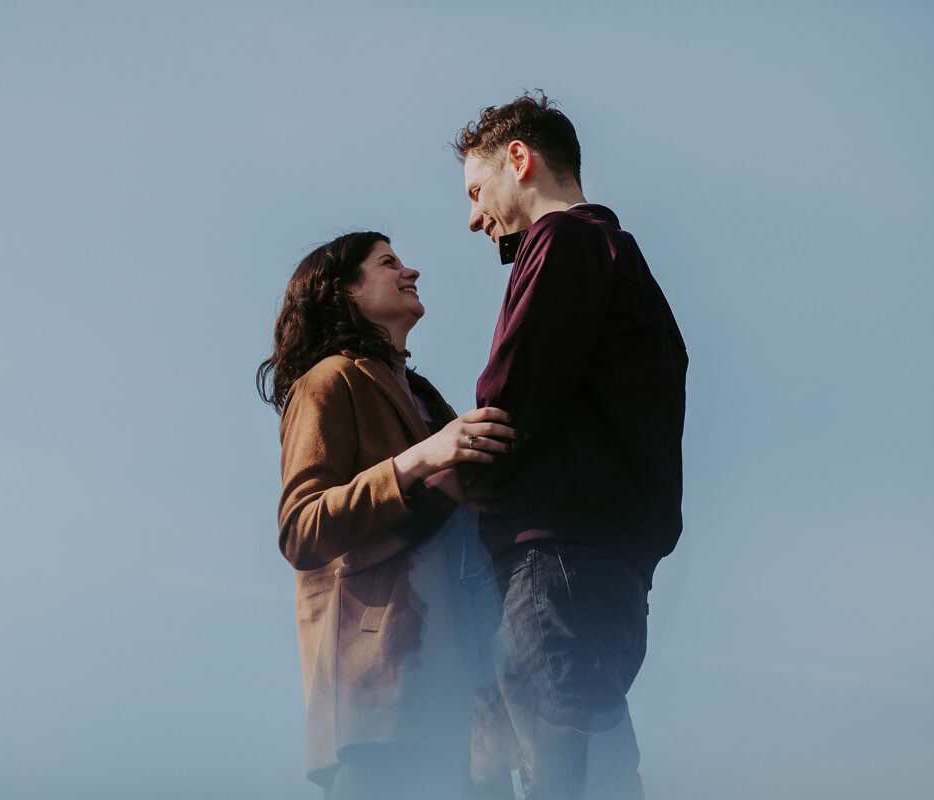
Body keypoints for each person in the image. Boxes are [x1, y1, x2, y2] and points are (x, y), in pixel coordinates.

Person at [442, 93, 689, 798]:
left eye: (475, 189)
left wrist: (428, 479)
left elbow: (506, 401)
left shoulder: (566, 242)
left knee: (562, 781)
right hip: (608, 576)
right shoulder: (626, 266)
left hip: (555, 570)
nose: (472, 216)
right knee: (600, 776)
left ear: (518, 160)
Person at [257, 232, 517, 800]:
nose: (411, 271)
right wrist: (419, 459)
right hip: (381, 706)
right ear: (344, 292)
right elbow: (301, 528)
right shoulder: (329, 381)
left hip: (467, 711)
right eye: (388, 263)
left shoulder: (425, 397)